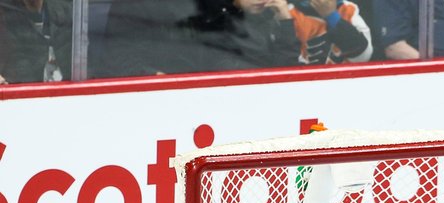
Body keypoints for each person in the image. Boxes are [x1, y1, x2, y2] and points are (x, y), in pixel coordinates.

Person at [99, 0, 300, 77]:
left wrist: (285, 22)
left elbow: (280, 74)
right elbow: (115, 54)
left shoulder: (227, 12)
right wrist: (153, 77)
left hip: (214, 101)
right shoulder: (134, 6)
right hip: (160, 102)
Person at [0, 0, 72, 85]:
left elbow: (86, 62)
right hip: (19, 92)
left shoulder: (66, 12)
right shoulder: (4, 15)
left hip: (66, 93)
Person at [287, 0, 373, 64]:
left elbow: (364, 57)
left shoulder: (348, 8)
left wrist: (332, 16)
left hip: (346, 80)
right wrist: (285, 23)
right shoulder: (288, 14)